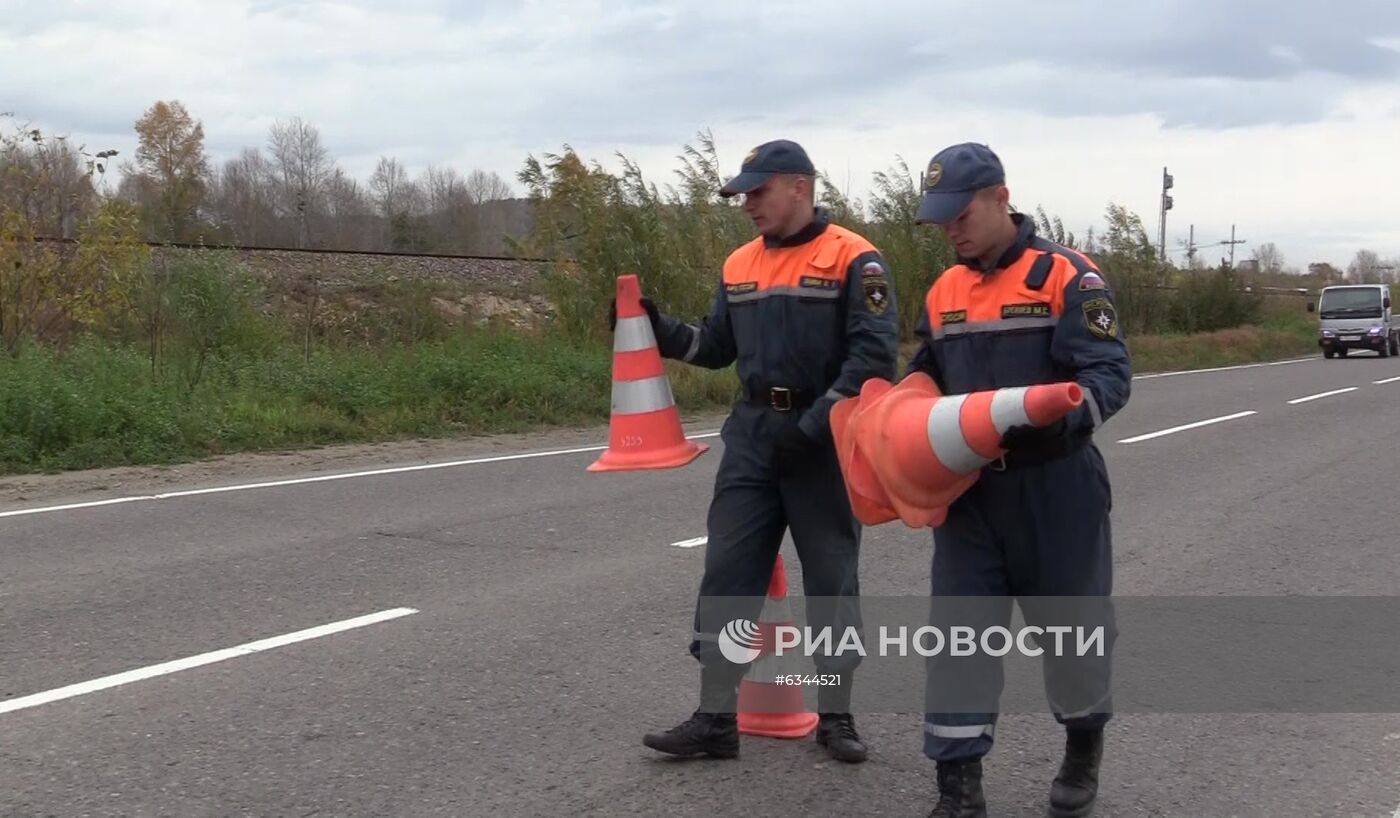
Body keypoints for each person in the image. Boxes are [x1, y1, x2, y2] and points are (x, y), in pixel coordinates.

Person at [613, 139, 899, 764]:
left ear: (799, 187)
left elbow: (874, 358)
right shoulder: (739, 263)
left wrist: (816, 427)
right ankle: (715, 719)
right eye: (741, 194)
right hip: (751, 439)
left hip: (823, 443)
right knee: (728, 577)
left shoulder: (855, 259)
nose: (746, 204)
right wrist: (655, 330)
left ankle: (836, 715)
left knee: (831, 583)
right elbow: (715, 347)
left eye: (757, 191)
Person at [904, 143, 1131, 818]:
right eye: (940, 218)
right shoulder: (944, 290)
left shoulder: (1067, 277)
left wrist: (1057, 423)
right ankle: (959, 791)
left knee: (1075, 637)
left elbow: (1108, 378)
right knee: (958, 637)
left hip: (1055, 488)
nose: (952, 229)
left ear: (1002, 198)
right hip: (970, 495)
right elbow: (924, 380)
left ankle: (1083, 744)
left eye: (962, 212)